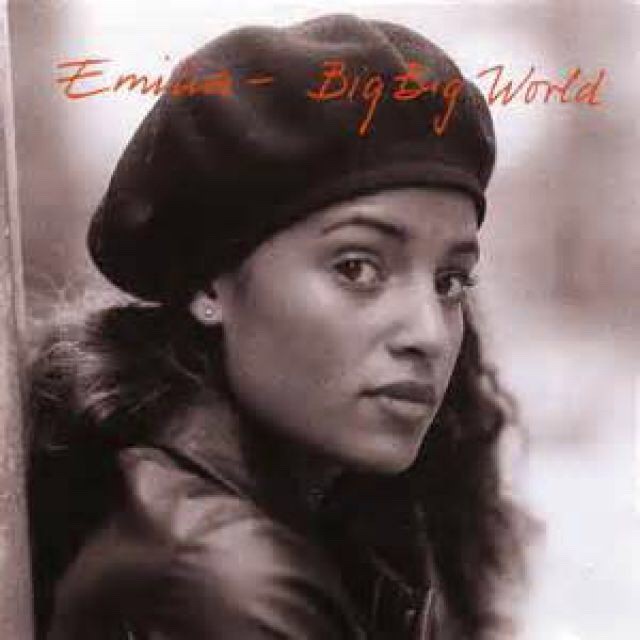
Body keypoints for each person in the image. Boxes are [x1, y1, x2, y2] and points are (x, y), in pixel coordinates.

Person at [27, 13, 527, 640]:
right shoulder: (226, 584)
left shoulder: (299, 514)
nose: (428, 333)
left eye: (449, 281)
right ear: (210, 284)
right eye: (357, 267)